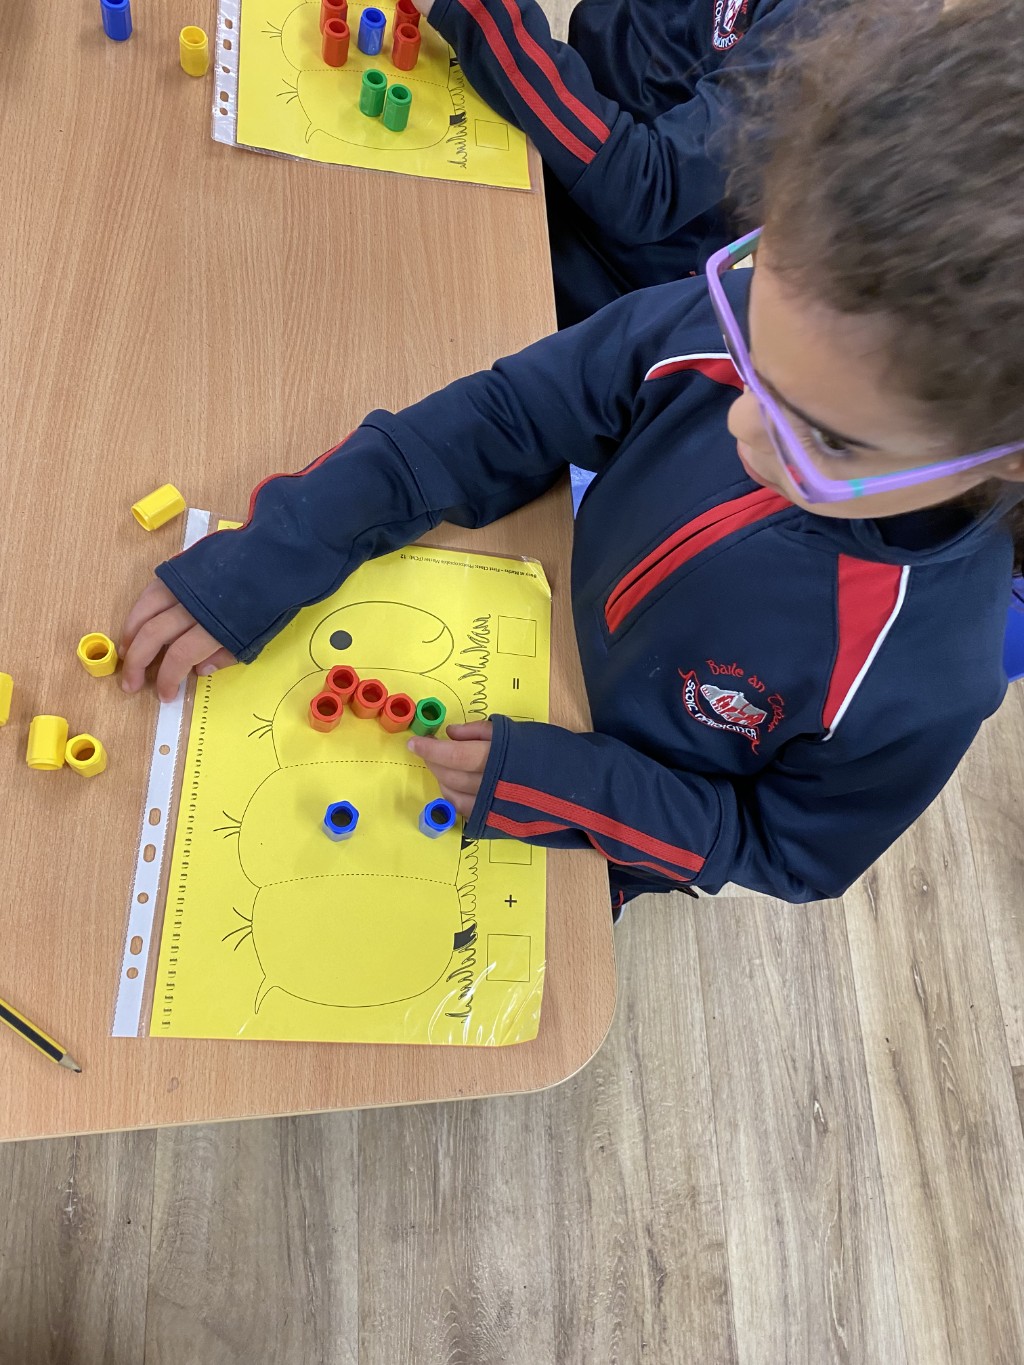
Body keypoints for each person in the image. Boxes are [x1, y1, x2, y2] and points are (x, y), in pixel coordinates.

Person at [120, 0, 1024, 915]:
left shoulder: (926, 676)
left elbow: (783, 849)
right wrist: (293, 541)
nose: (743, 424)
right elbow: (508, 415)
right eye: (752, 332)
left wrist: (576, 787)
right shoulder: (735, 324)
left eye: (826, 438)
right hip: (524, 609)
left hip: (587, 817)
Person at [410, 0, 823, 325]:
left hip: (599, 270)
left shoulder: (825, 30)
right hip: (546, 125)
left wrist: (474, 9)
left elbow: (647, 187)